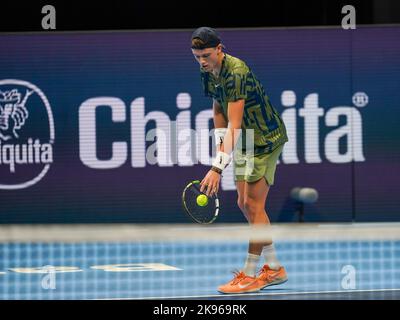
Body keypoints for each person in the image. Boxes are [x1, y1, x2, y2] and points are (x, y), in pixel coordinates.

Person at [191, 27, 289, 294]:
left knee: (252, 203)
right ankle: (275, 268)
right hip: (245, 140)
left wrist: (217, 167)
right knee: (243, 203)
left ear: (219, 49)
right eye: (197, 56)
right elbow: (219, 108)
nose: (202, 61)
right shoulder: (207, 70)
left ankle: (249, 274)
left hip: (264, 140)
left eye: (206, 55)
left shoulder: (236, 72)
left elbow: (235, 123)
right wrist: (221, 146)